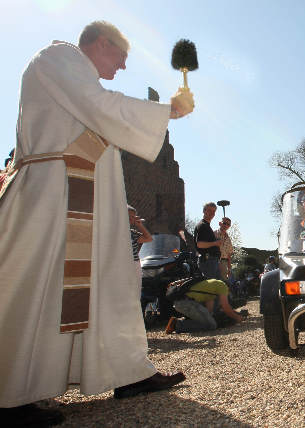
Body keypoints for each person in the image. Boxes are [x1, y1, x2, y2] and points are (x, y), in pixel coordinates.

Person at [0, 21, 194, 424]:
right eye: (120, 57)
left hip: (88, 201)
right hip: (52, 197)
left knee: (110, 285)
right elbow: (102, 107)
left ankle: (128, 372)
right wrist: (168, 111)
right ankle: (10, 394)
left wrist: (118, 204)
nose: (122, 68)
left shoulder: (78, 80)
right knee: (40, 285)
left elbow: (97, 135)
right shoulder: (57, 58)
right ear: (102, 43)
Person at [165, 278, 245, 333]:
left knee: (209, 321)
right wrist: (237, 317)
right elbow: (226, 307)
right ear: (228, 288)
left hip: (181, 303)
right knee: (211, 325)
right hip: (185, 303)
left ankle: (184, 321)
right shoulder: (223, 286)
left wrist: (210, 317)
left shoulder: (213, 286)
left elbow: (209, 311)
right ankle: (177, 325)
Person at [129, 205, 153, 292]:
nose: (131, 219)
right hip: (121, 264)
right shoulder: (115, 231)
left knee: (134, 291)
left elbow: (149, 239)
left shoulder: (132, 233)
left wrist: (140, 225)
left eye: (133, 217)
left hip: (134, 264)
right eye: (129, 216)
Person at [194, 202, 222, 279]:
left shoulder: (207, 226)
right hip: (208, 262)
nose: (212, 213)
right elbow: (199, 244)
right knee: (211, 288)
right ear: (204, 211)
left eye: (214, 211)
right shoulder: (202, 225)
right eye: (209, 210)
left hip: (212, 261)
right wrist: (215, 243)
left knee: (216, 287)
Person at [215, 217, 234, 282]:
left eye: (228, 224)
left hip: (224, 263)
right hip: (214, 261)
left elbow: (229, 254)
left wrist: (229, 268)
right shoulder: (214, 234)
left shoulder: (228, 239)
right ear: (220, 223)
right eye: (224, 223)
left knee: (223, 282)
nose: (226, 225)